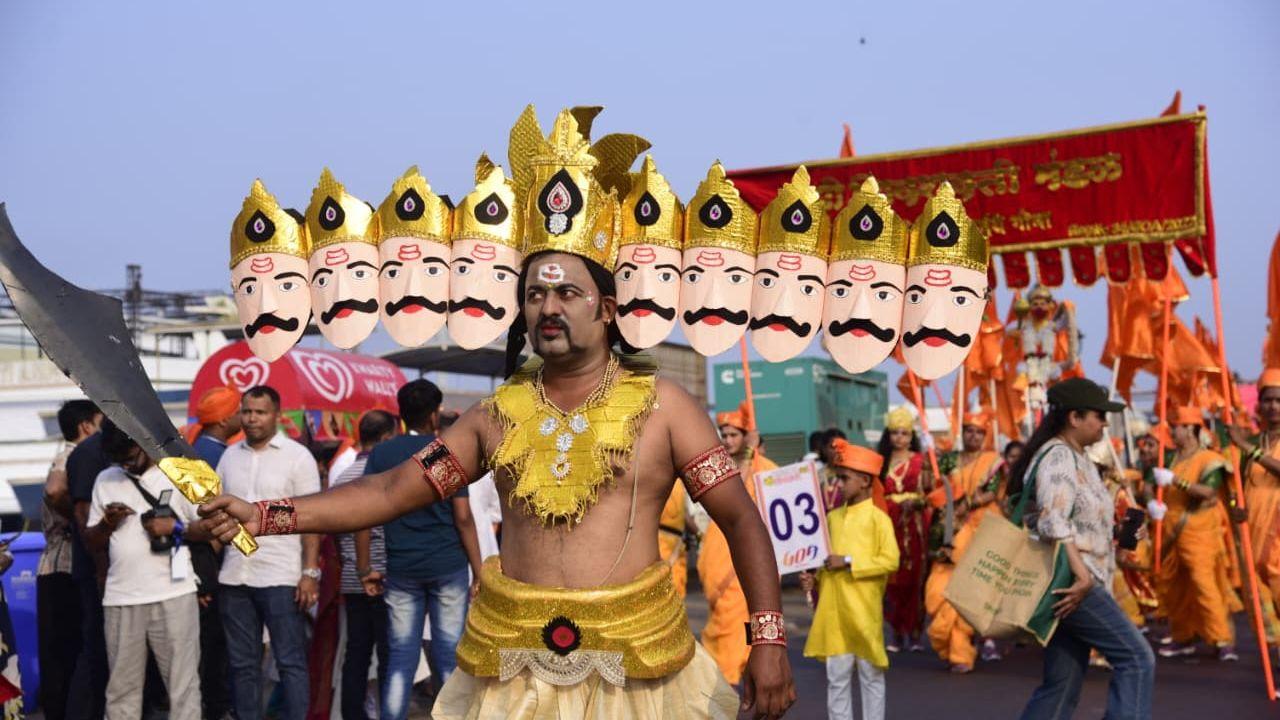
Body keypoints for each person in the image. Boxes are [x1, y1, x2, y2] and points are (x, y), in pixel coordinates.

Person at [201, 109, 794, 719]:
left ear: (608, 309)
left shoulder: (665, 406)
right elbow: (390, 491)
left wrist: (769, 638)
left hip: (636, 672)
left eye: (567, 293)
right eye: (535, 294)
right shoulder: (494, 416)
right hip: (516, 673)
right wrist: (263, 515)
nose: (548, 308)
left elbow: (741, 519)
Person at [1010, 377, 1154, 720]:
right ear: (1074, 417)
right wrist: (1081, 576)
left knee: (1062, 685)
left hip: (1074, 578)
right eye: (1099, 415)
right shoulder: (1059, 456)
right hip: (1076, 581)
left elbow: (1076, 523)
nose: (1104, 422)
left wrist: (1120, 531)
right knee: (1137, 659)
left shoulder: (1078, 458)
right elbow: (1052, 520)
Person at [363, 379, 482, 718]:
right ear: (434, 415)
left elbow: (365, 511)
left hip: (401, 569)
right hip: (447, 565)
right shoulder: (443, 451)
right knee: (448, 657)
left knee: (400, 658)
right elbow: (463, 517)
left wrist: (364, 568)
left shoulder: (382, 453)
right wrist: (479, 570)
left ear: (401, 414)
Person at [84, 420, 209, 720]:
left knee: (183, 686)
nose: (125, 465)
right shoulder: (106, 478)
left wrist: (175, 527)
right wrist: (107, 523)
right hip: (121, 598)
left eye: (129, 457)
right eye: (118, 460)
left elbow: (211, 526)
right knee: (121, 690)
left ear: (143, 442)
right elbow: (92, 541)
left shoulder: (183, 471)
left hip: (175, 593)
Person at [215, 385, 322, 720]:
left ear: (277, 415)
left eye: (260, 412)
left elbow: (312, 519)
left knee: (290, 661)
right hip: (235, 576)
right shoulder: (229, 456)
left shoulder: (298, 457)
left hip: (280, 576)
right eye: (247, 412)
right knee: (243, 664)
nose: (252, 419)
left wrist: (309, 573)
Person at [801, 439, 899, 720]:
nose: (838, 484)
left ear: (865, 481)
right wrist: (815, 579)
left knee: (871, 677)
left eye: (844, 478)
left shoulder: (879, 519)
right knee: (837, 680)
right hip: (835, 616)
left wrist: (848, 562)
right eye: (837, 478)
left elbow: (890, 560)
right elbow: (827, 561)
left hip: (864, 612)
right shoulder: (832, 517)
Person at [698, 401, 778, 685]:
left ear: (747, 436)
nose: (728, 440)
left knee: (742, 636)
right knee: (726, 634)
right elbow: (730, 493)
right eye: (724, 434)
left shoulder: (767, 470)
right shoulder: (719, 468)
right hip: (717, 564)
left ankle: (735, 692)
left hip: (744, 569)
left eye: (734, 435)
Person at [1154, 407, 1240, 661]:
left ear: (1191, 429)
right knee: (1177, 588)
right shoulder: (1173, 458)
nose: (1172, 432)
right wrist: (1157, 506)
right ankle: (1183, 637)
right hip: (1172, 531)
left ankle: (1222, 639)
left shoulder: (1209, 459)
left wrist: (1175, 481)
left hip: (1199, 531)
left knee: (1204, 584)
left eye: (1176, 427)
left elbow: (1208, 492)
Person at [37, 399, 100, 720]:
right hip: (65, 566)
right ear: (86, 426)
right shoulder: (74, 455)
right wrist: (79, 519)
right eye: (101, 424)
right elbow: (53, 491)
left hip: (55, 565)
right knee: (70, 651)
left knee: (60, 652)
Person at [332, 410, 396, 720]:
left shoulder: (342, 477)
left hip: (352, 578)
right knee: (388, 653)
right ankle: (388, 713)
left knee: (355, 654)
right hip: (383, 577)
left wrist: (352, 565)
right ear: (386, 438)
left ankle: (352, 714)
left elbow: (334, 531)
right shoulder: (388, 476)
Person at [923, 413, 999, 672]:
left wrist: (969, 503)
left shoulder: (992, 461)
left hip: (979, 531)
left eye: (979, 432)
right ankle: (950, 645)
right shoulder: (948, 459)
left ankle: (961, 652)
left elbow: (993, 491)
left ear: (985, 436)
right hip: (949, 528)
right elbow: (935, 486)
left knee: (968, 591)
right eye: (969, 430)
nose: (973, 436)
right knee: (939, 589)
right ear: (962, 432)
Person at [186, 384, 241, 720]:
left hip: (203, 561)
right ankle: (217, 707)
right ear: (224, 419)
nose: (243, 417)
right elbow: (207, 519)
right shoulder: (217, 456)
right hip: (211, 562)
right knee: (215, 645)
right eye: (239, 411)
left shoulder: (196, 449)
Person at [65, 414, 113, 720]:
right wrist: (101, 569)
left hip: (118, 571)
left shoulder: (117, 447)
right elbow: (81, 512)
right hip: (98, 570)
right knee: (96, 649)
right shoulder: (90, 452)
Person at [1228, 368, 1280, 637]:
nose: (1273, 406)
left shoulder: (1249, 446)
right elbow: (1241, 488)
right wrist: (1237, 507)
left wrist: (1248, 448)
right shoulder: (1254, 442)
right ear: (1259, 404)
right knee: (1262, 600)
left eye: (1279, 400)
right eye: (1268, 400)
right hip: (1254, 534)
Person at [876, 407, 929, 653]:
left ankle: (915, 633)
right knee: (892, 578)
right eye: (895, 433)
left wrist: (916, 502)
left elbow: (930, 494)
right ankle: (896, 632)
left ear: (911, 436)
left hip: (914, 526)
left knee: (915, 577)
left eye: (904, 433)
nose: (899, 438)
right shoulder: (880, 462)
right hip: (888, 524)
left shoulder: (921, 461)